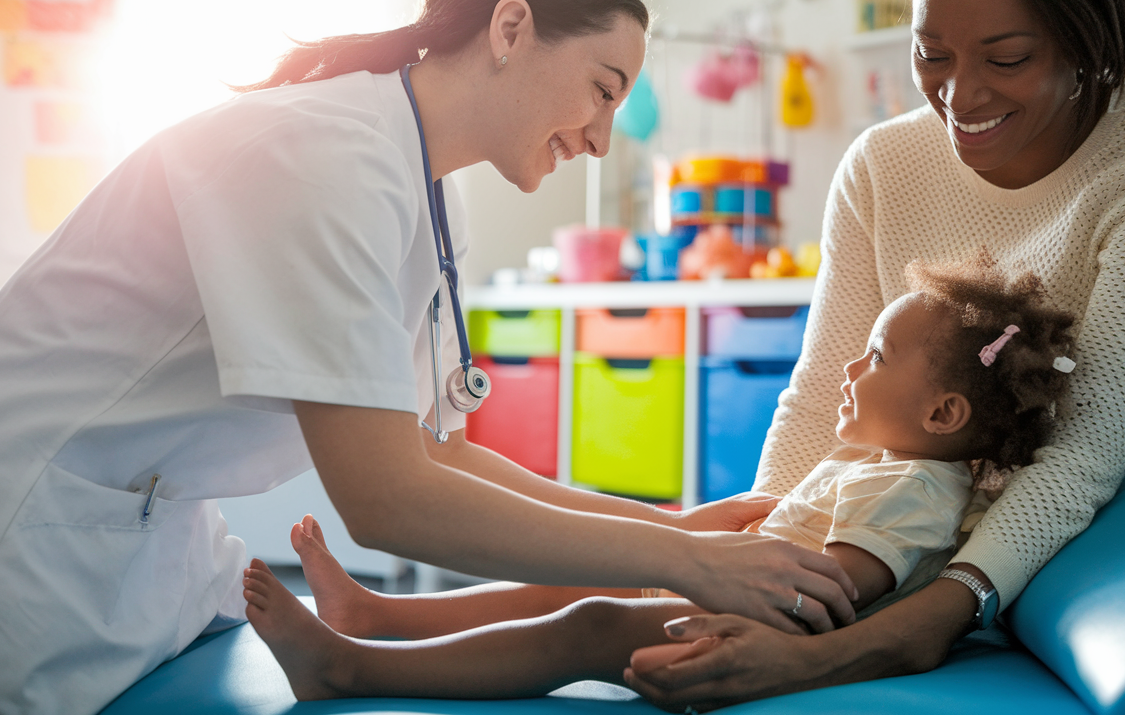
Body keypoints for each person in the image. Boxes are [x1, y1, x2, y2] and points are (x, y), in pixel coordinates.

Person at [0, 0, 857, 714]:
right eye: (602, 90)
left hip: (149, 541)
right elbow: (386, 502)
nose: (602, 139)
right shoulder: (325, 155)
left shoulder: (425, 182)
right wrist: (684, 561)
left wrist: (669, 526)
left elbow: (434, 448)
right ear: (510, 27)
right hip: (37, 533)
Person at [624, 0, 1125, 709]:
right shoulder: (884, 164)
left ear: (1092, 37)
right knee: (617, 608)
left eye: (1007, 58)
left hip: (1081, 543)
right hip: (893, 546)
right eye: (930, 54)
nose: (961, 94)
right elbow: (816, 399)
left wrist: (893, 632)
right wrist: (766, 564)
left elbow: (1088, 452)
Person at [238, 254, 1080, 702]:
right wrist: (708, 533)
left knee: (586, 619)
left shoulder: (917, 492)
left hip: (751, 642)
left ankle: (353, 668)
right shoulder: (874, 464)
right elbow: (792, 540)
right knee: (574, 577)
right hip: (724, 599)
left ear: (941, 417)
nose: (851, 367)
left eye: (879, 357)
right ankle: (383, 614)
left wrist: (721, 565)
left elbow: (829, 592)